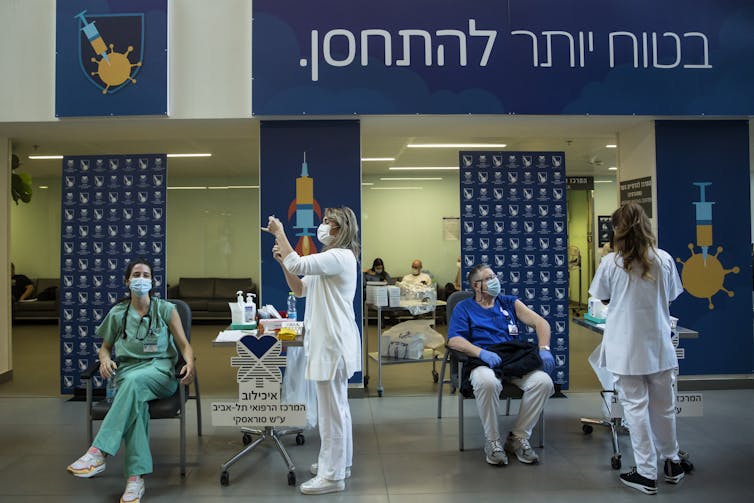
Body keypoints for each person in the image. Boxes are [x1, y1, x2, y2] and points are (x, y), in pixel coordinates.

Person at [67, 258, 195, 503]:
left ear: (153, 281)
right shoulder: (118, 313)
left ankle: (99, 452)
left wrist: (190, 362)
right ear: (127, 281)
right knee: (136, 404)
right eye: (136, 274)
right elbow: (104, 348)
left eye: (146, 275)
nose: (141, 279)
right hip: (127, 373)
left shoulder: (166, 309)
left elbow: (184, 345)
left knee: (132, 385)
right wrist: (104, 360)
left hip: (161, 373)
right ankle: (135, 481)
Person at [588, 202, 686, 495]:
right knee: (664, 407)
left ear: (617, 230)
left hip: (626, 347)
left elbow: (602, 299)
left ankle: (646, 472)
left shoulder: (612, 263)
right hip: (658, 345)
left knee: (636, 410)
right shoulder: (664, 259)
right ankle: (672, 461)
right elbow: (671, 296)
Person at [262, 207, 361, 495]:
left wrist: (279, 232)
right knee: (337, 408)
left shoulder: (339, 256)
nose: (322, 225)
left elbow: (297, 263)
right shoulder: (329, 261)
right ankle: (339, 464)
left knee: (332, 411)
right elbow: (300, 287)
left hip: (332, 344)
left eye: (328, 222)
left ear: (341, 229)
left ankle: (332, 476)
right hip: (329, 343)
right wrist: (283, 263)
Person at [447, 264, 555, 466]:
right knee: (488, 383)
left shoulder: (508, 302)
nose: (494, 281)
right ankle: (493, 441)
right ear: (476, 286)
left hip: (513, 359)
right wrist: (481, 352)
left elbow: (541, 323)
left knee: (544, 382)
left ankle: (518, 438)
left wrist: (545, 349)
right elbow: (454, 340)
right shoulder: (464, 308)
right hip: (484, 360)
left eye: (494, 276)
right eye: (488, 278)